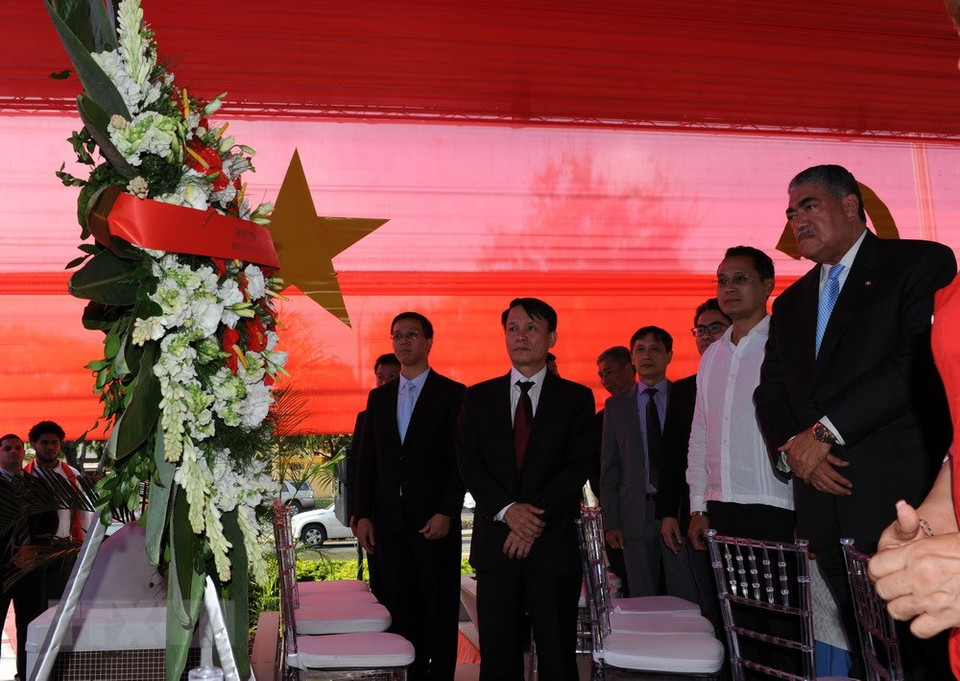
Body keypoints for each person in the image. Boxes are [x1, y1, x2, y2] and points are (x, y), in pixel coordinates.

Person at [754, 164, 957, 677]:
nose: (797, 220)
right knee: (869, 657)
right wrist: (797, 452)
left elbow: (912, 362)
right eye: (791, 212)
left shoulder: (918, 262)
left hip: (900, 503)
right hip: (823, 507)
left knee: (921, 657)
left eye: (809, 205)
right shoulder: (791, 303)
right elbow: (770, 391)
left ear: (850, 206)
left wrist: (825, 433)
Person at [457, 297, 593, 681]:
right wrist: (508, 511)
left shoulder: (576, 398)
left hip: (553, 546)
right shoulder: (478, 397)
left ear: (551, 338)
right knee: (499, 657)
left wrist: (529, 522)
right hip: (497, 544)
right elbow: (469, 463)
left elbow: (577, 467)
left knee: (557, 656)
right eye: (513, 328)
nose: (520, 336)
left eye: (531, 328)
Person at [354, 313, 465, 681]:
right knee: (398, 606)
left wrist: (447, 511)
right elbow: (367, 460)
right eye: (397, 335)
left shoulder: (453, 394)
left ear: (429, 342)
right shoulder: (379, 397)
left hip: (434, 521)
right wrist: (363, 513)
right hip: (388, 522)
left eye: (412, 335)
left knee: (439, 607)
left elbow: (460, 462)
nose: (403, 341)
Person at [655, 297, 729, 626]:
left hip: (745, 510)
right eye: (700, 330)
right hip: (697, 512)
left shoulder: (759, 376)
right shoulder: (685, 389)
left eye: (716, 327)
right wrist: (668, 513)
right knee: (708, 601)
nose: (706, 335)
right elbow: (672, 455)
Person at [345, 352, 400, 585]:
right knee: (382, 580)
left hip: (414, 515)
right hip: (376, 515)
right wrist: (357, 512)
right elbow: (357, 466)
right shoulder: (366, 417)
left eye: (392, 377)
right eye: (380, 377)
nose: (385, 383)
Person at [0, 433, 50, 681]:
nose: (13, 452)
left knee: (31, 627)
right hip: (2, 567)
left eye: (18, 448)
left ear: (24, 451)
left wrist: (35, 550)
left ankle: (26, 675)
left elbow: (50, 522)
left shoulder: (37, 485)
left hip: (31, 567)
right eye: (7, 448)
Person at [591, 345, 636, 594]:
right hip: (617, 516)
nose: (605, 380)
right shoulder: (600, 420)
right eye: (601, 375)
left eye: (609, 372)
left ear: (629, 368)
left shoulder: (662, 405)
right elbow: (599, 474)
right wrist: (611, 520)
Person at [26, 421, 84, 605]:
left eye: (54, 442)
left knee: (61, 603)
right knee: (33, 604)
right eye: (44, 442)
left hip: (65, 548)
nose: (50, 447)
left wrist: (84, 544)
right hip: (33, 550)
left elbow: (83, 511)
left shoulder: (72, 474)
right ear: (34, 444)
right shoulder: (25, 475)